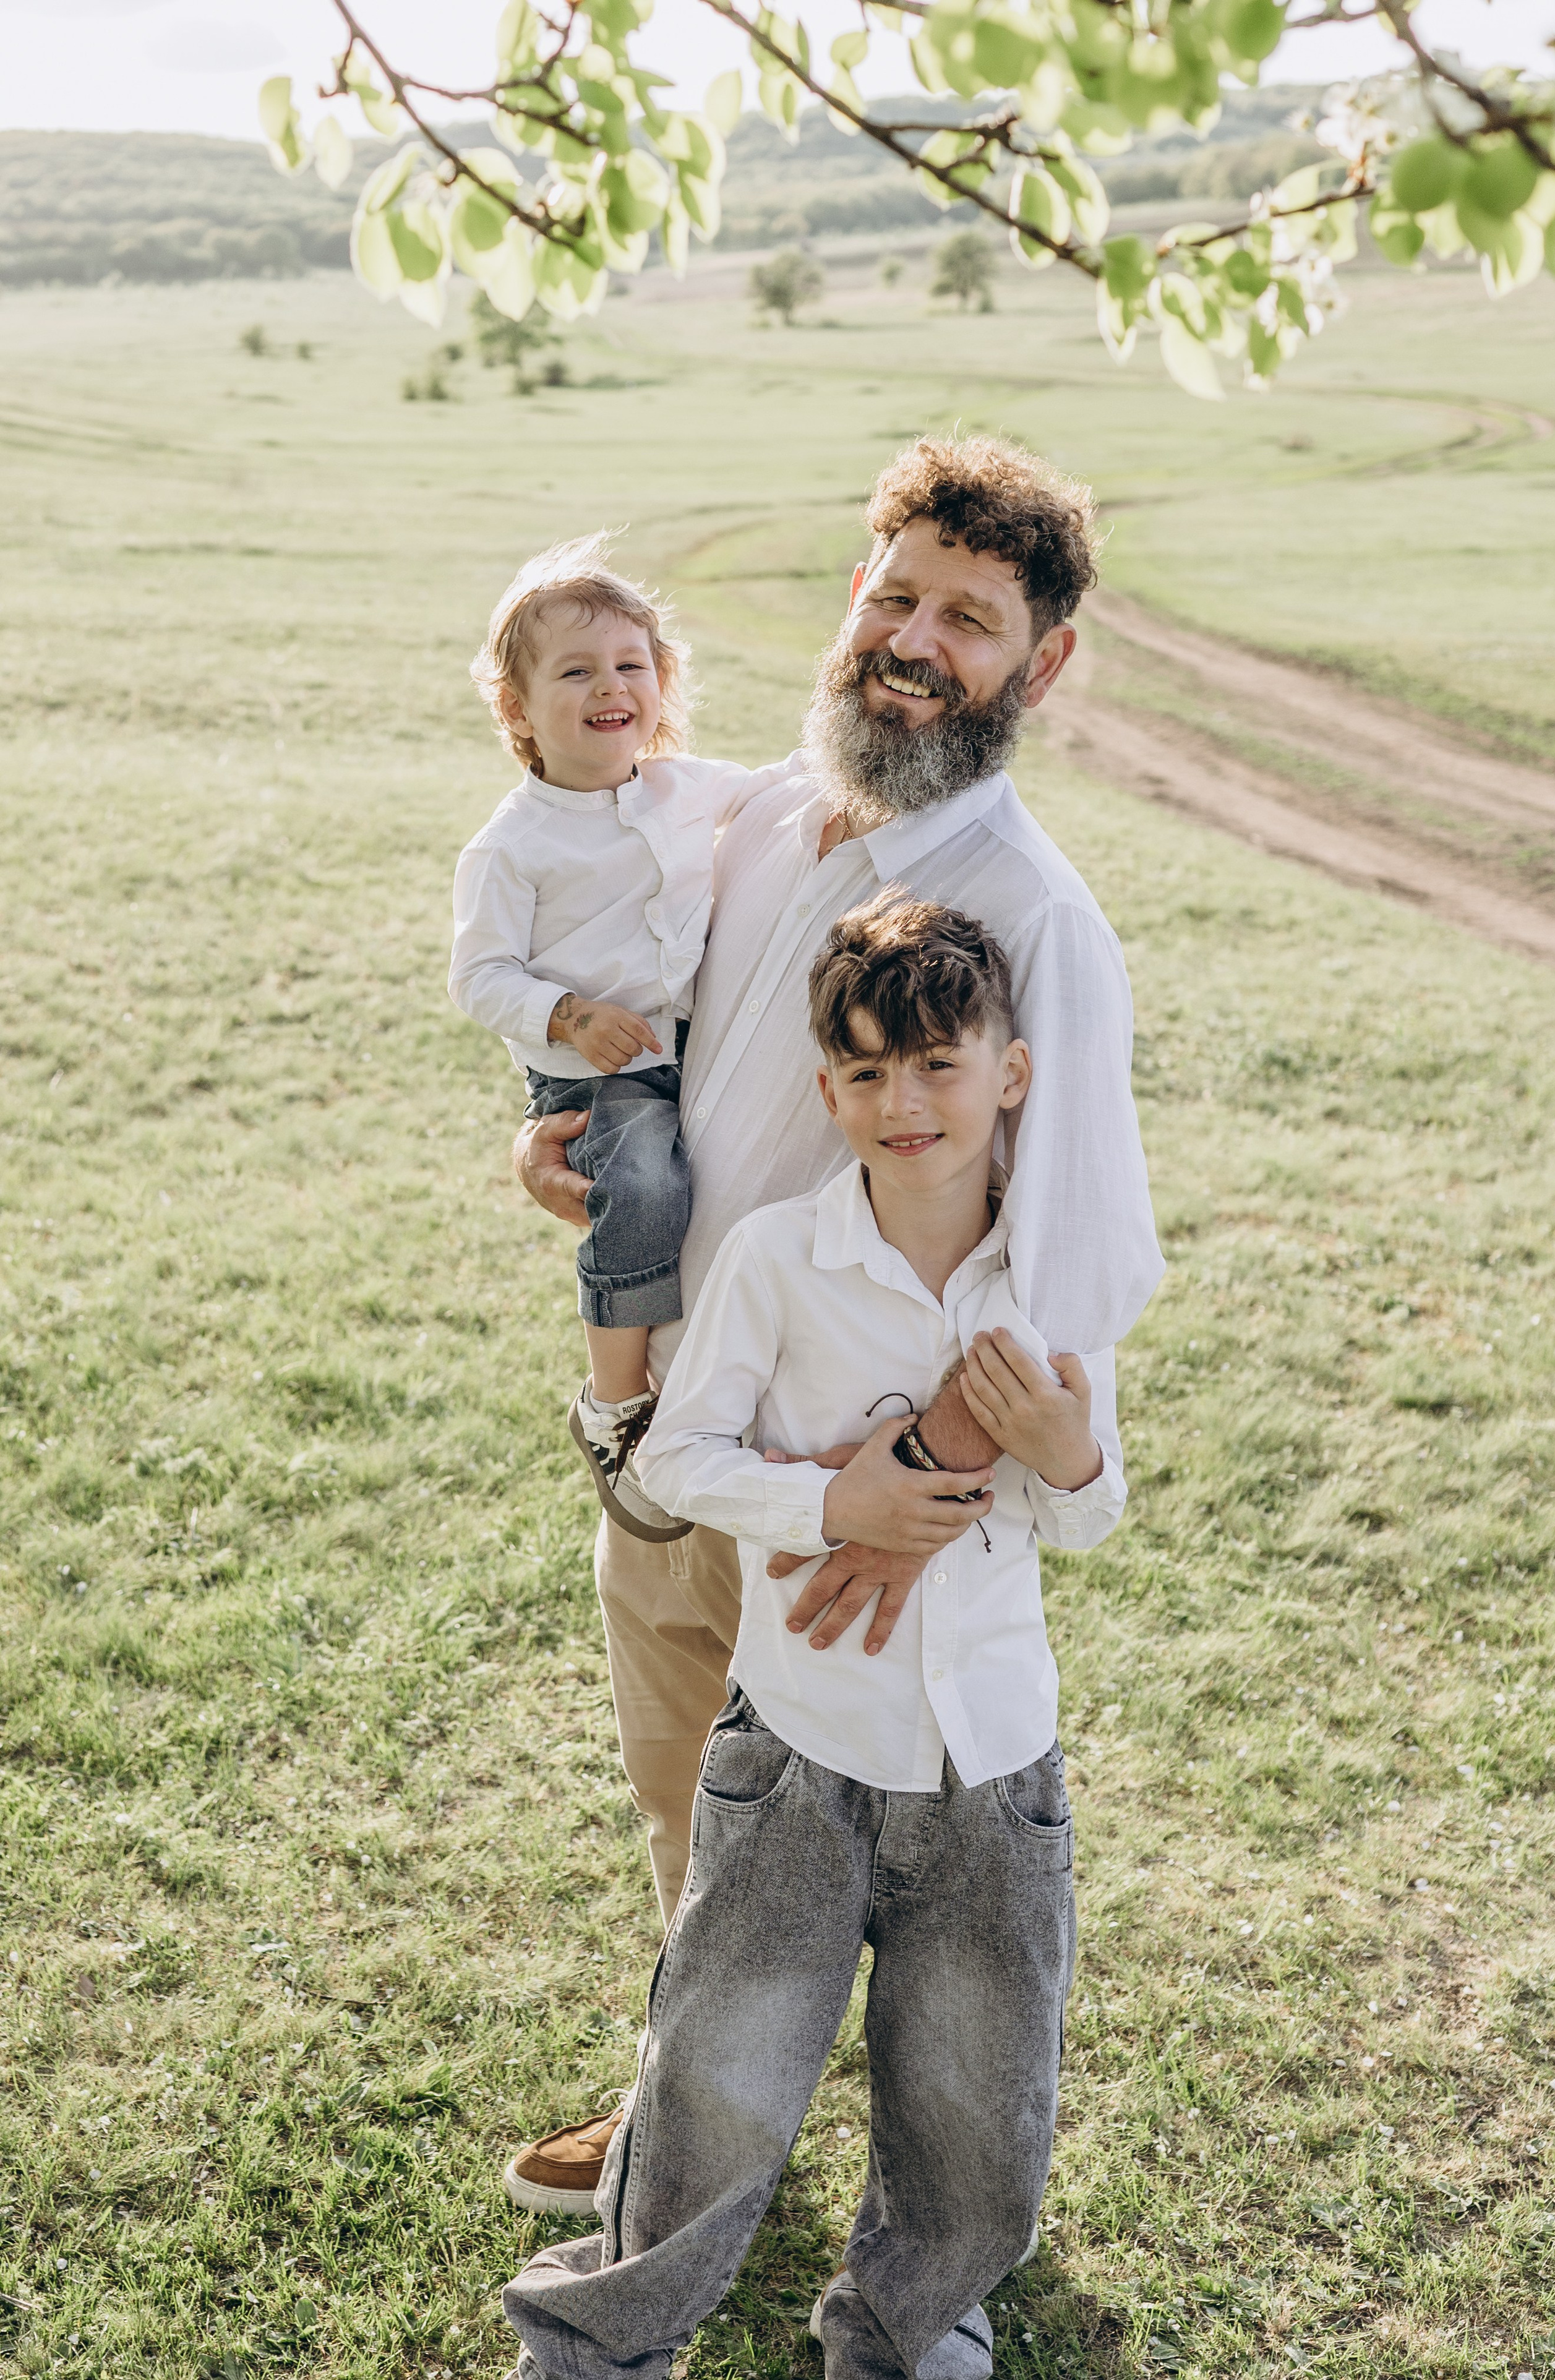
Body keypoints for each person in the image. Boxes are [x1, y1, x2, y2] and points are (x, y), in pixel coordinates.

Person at [503, 435, 1163, 2215]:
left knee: (864, 1864)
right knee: (690, 1813)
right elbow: (679, 1066)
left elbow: (1076, 1268)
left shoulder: (1033, 918)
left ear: (1041, 664)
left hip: (863, 1506)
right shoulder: (754, 819)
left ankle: (924, 2215)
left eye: (970, 618)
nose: (914, 641)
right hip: (682, 1436)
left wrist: (907, 1489)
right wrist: (567, 1146)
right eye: (896, 594)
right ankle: (690, 2117)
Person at [501, 896, 1124, 2380]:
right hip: (796, 1745)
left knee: (974, 2102)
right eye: (864, 1071)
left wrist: (1065, 1453)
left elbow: (1089, 1514)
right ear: (828, 1088)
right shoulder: (779, 1257)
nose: (903, 1101)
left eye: (937, 1064)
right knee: (715, 2077)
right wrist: (832, 1499)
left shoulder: (1052, 1276)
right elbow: (675, 1455)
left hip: (991, 1767)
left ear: (1010, 1073)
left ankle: (910, 2323)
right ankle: (599, 2337)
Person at [450, 534, 794, 1539]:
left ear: (661, 681)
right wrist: (568, 1014)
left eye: (631, 664)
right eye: (576, 671)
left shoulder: (686, 789)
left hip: (690, 1050)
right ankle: (614, 1403)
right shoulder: (514, 845)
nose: (611, 686)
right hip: (593, 1078)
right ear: (517, 709)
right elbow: (478, 977)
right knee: (643, 1187)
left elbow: (779, 789)